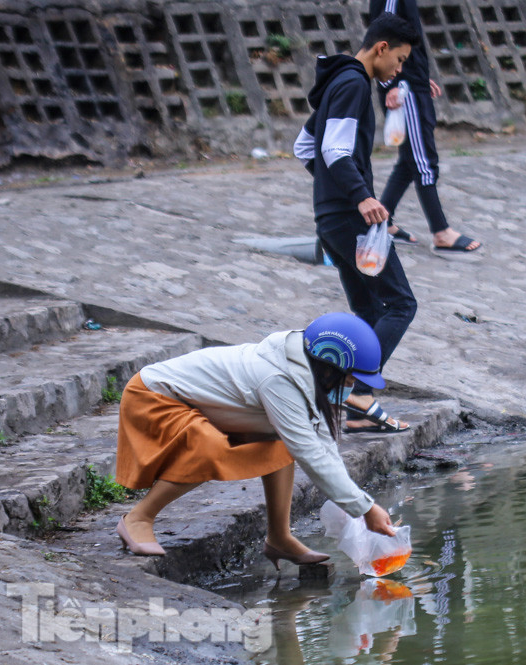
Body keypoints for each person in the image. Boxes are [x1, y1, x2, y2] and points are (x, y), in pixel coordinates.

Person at [113, 312, 397, 565]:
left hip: (208, 406)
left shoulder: (308, 373)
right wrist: (364, 508)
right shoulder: (277, 378)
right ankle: (138, 519)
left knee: (281, 444)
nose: (352, 384)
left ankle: (279, 538)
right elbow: (309, 450)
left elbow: (324, 445)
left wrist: (360, 503)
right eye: (349, 377)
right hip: (152, 397)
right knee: (211, 446)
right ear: (329, 363)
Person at [294, 14, 418, 432]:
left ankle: (350, 407)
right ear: (381, 48)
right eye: (399, 60)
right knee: (401, 303)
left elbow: (304, 145)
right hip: (352, 219)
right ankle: (361, 394)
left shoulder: (336, 81)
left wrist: (333, 190)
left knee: (367, 309)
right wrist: (361, 196)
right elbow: (334, 149)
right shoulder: (351, 84)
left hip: (330, 220)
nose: (399, 69)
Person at [369, 0, 482, 255]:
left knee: (409, 161)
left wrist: (419, 77)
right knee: (423, 161)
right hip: (403, 90)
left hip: (411, 84)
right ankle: (441, 232)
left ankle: (382, 222)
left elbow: (403, 39)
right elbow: (382, 34)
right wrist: (394, 84)